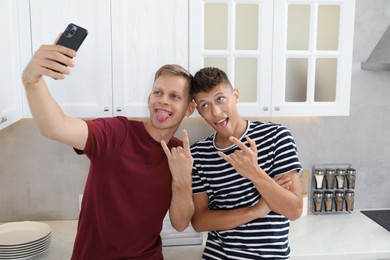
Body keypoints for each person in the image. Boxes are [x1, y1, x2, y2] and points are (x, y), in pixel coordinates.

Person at [22, 37, 196, 259]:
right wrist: (32, 80)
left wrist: (182, 180)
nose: (163, 101)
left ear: (189, 108)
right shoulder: (116, 132)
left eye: (174, 96)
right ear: (149, 98)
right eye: (158, 93)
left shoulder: (180, 155)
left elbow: (181, 224)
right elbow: (55, 127)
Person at [189, 67, 303, 259]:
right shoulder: (198, 154)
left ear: (235, 95)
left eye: (220, 99)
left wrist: (254, 173)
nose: (216, 112)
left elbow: (294, 210)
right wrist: (256, 210)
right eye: (205, 105)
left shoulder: (276, 137)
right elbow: (200, 221)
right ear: (199, 111)